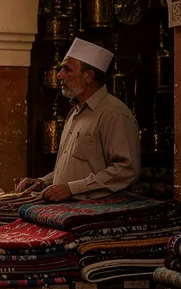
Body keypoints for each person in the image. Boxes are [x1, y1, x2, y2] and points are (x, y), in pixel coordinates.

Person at [16, 38, 139, 201]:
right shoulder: (74, 113)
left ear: (88, 76)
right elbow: (75, 169)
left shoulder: (114, 113)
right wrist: (43, 182)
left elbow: (125, 170)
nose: (60, 75)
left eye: (67, 70)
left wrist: (72, 189)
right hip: (66, 210)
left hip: (94, 214)